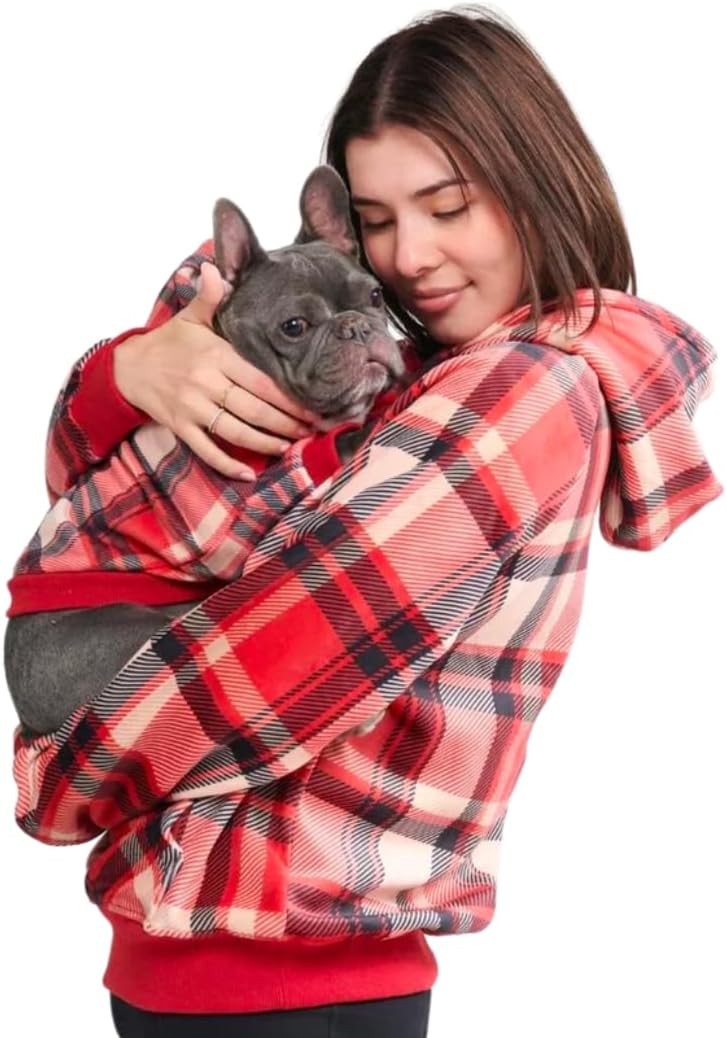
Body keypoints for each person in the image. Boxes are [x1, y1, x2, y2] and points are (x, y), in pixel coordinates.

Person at [5, 6, 721, 1037]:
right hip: (247, 955)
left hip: (273, 959)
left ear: (537, 182)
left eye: (446, 205)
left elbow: (279, 659)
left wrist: (54, 782)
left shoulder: (517, 391)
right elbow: (85, 487)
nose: (410, 256)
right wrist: (128, 371)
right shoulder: (391, 360)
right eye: (379, 220)